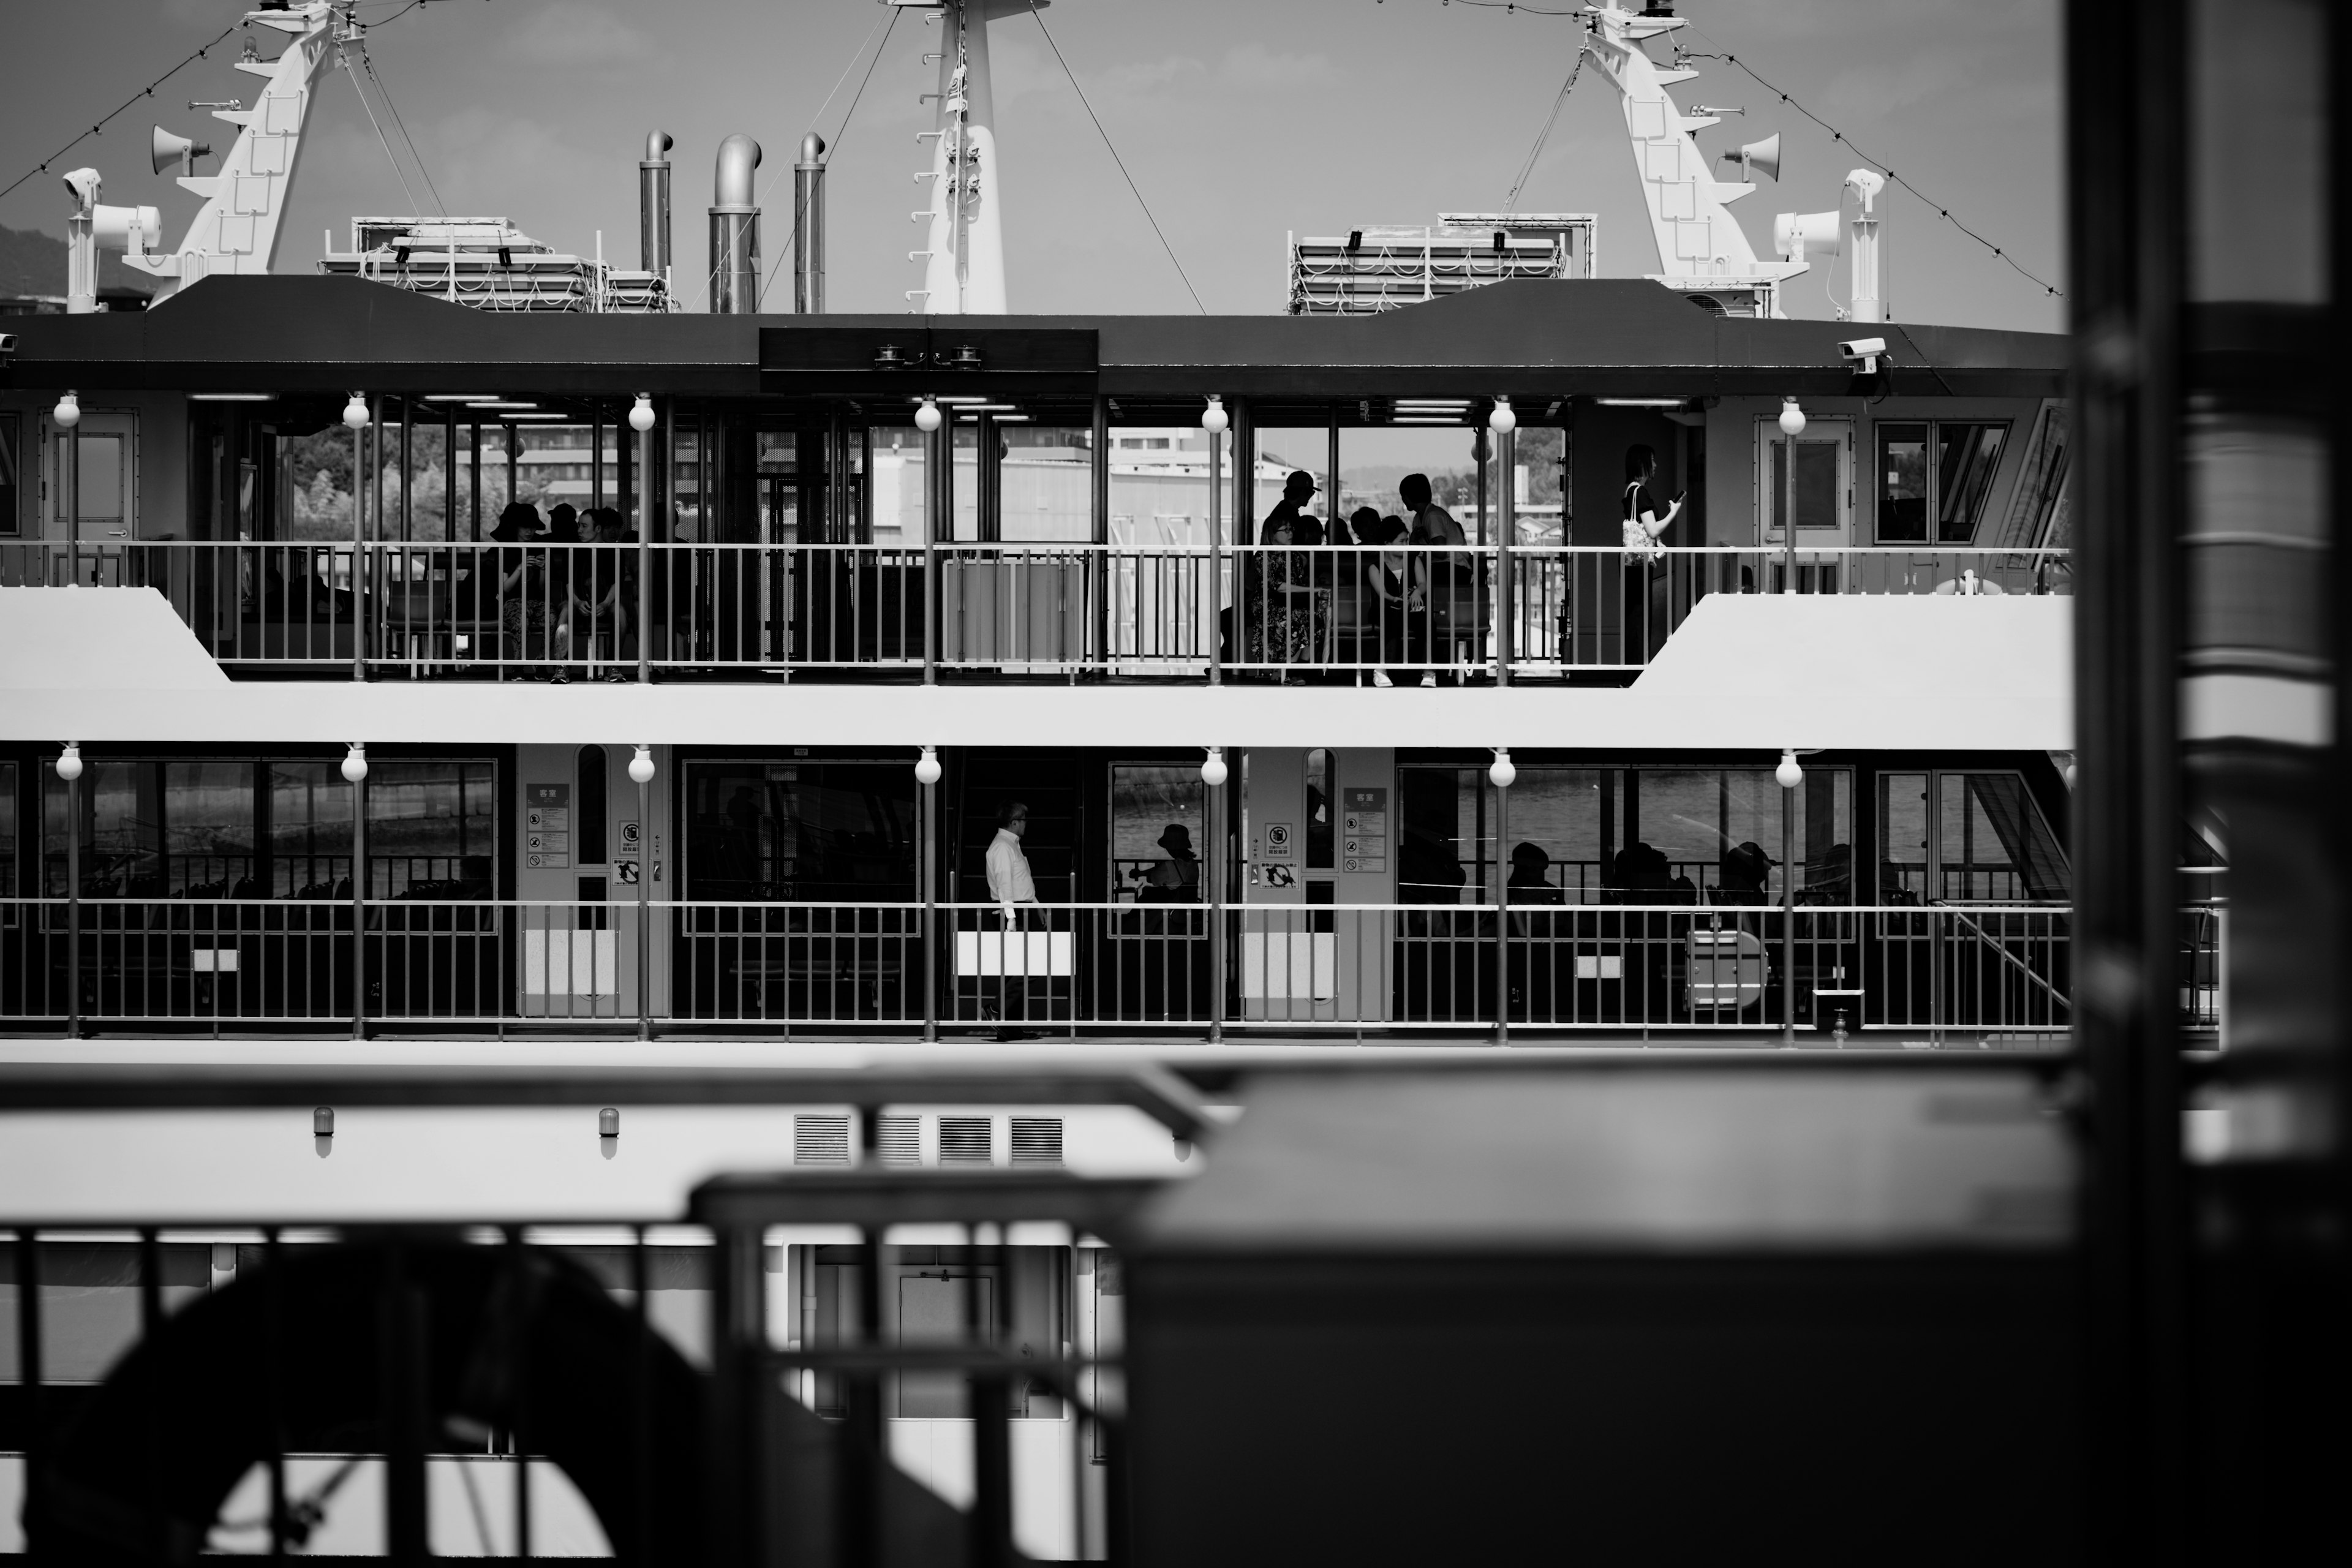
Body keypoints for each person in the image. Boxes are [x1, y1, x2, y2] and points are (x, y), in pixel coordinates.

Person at [1401, 473, 1473, 679]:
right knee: (1412, 569)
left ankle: (1413, 609)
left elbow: (1440, 553)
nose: (1403, 501)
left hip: (1453, 567)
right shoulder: (1419, 517)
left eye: (1403, 496)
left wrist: (1418, 544)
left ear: (1409, 496)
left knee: (1414, 574)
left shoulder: (1432, 516)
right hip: (1439, 565)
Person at [1622, 445, 1683, 662]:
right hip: (1640, 564)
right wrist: (1673, 513)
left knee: (1635, 617)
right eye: (1652, 460)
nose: (1656, 465)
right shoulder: (1641, 492)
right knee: (1640, 618)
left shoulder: (1631, 490)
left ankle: (1631, 672)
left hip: (1633, 564)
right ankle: (1635, 673)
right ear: (1642, 464)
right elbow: (1653, 528)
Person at [985, 801, 1041, 1038]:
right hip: (1012, 913)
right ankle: (995, 1008)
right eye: (1024, 820)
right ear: (1015, 822)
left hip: (1021, 910)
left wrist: (1037, 905)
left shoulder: (1012, 845)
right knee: (1032, 967)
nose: (1026, 825)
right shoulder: (1002, 848)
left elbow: (1021, 881)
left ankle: (1009, 1027)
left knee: (1016, 972)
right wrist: (1011, 919)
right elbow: (1005, 886)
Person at [1366, 515, 1428, 687]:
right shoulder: (1375, 566)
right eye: (1401, 541)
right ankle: (1381, 671)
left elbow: (1423, 584)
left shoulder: (1413, 559)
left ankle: (1428, 671)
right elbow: (1382, 593)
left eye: (1406, 541)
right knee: (1392, 618)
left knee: (1427, 622)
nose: (1405, 545)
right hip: (1386, 608)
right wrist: (1395, 599)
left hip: (1410, 608)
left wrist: (1416, 593)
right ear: (1387, 543)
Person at [1136, 824, 1202, 904]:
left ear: (1170, 847)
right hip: (1187, 910)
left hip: (1171, 911)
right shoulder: (1194, 864)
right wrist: (1142, 873)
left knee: (1146, 892)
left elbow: (1154, 879)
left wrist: (1142, 874)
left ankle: (1131, 917)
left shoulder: (1170, 866)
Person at [1259, 469, 1321, 545]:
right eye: (1312, 492)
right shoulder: (1286, 515)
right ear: (1303, 492)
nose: (1311, 496)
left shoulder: (1283, 510)